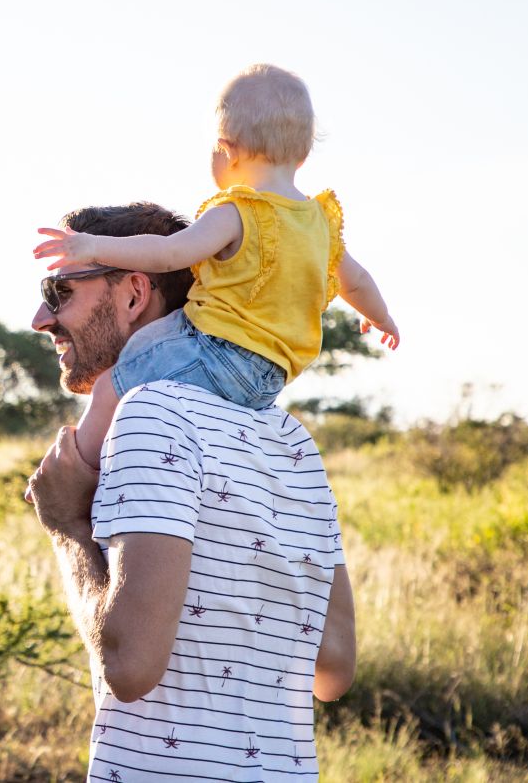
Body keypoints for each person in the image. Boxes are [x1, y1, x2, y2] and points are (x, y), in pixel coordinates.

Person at [28, 202, 356, 780]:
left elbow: (129, 670)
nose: (39, 318)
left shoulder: (149, 413)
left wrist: (66, 527)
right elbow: (332, 668)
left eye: (59, 292)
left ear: (133, 294)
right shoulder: (291, 439)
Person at [33, 64, 399, 469]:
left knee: (111, 386)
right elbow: (359, 281)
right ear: (304, 154)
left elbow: (169, 254)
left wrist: (92, 246)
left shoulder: (239, 211)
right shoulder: (320, 225)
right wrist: (381, 319)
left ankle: (70, 474)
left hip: (218, 354)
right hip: (269, 379)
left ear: (227, 150)